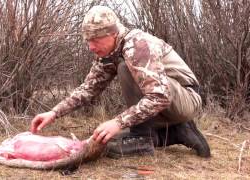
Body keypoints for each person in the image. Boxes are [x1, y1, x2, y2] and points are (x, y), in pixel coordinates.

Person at [30, 5, 211, 158]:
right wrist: (54, 113)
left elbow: (159, 96)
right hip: (170, 104)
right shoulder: (110, 52)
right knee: (104, 140)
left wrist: (117, 122)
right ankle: (178, 132)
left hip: (187, 99)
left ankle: (142, 139)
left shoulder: (137, 45)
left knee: (125, 69)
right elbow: (88, 89)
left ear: (112, 33)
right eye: (88, 40)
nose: (91, 46)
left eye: (95, 39)